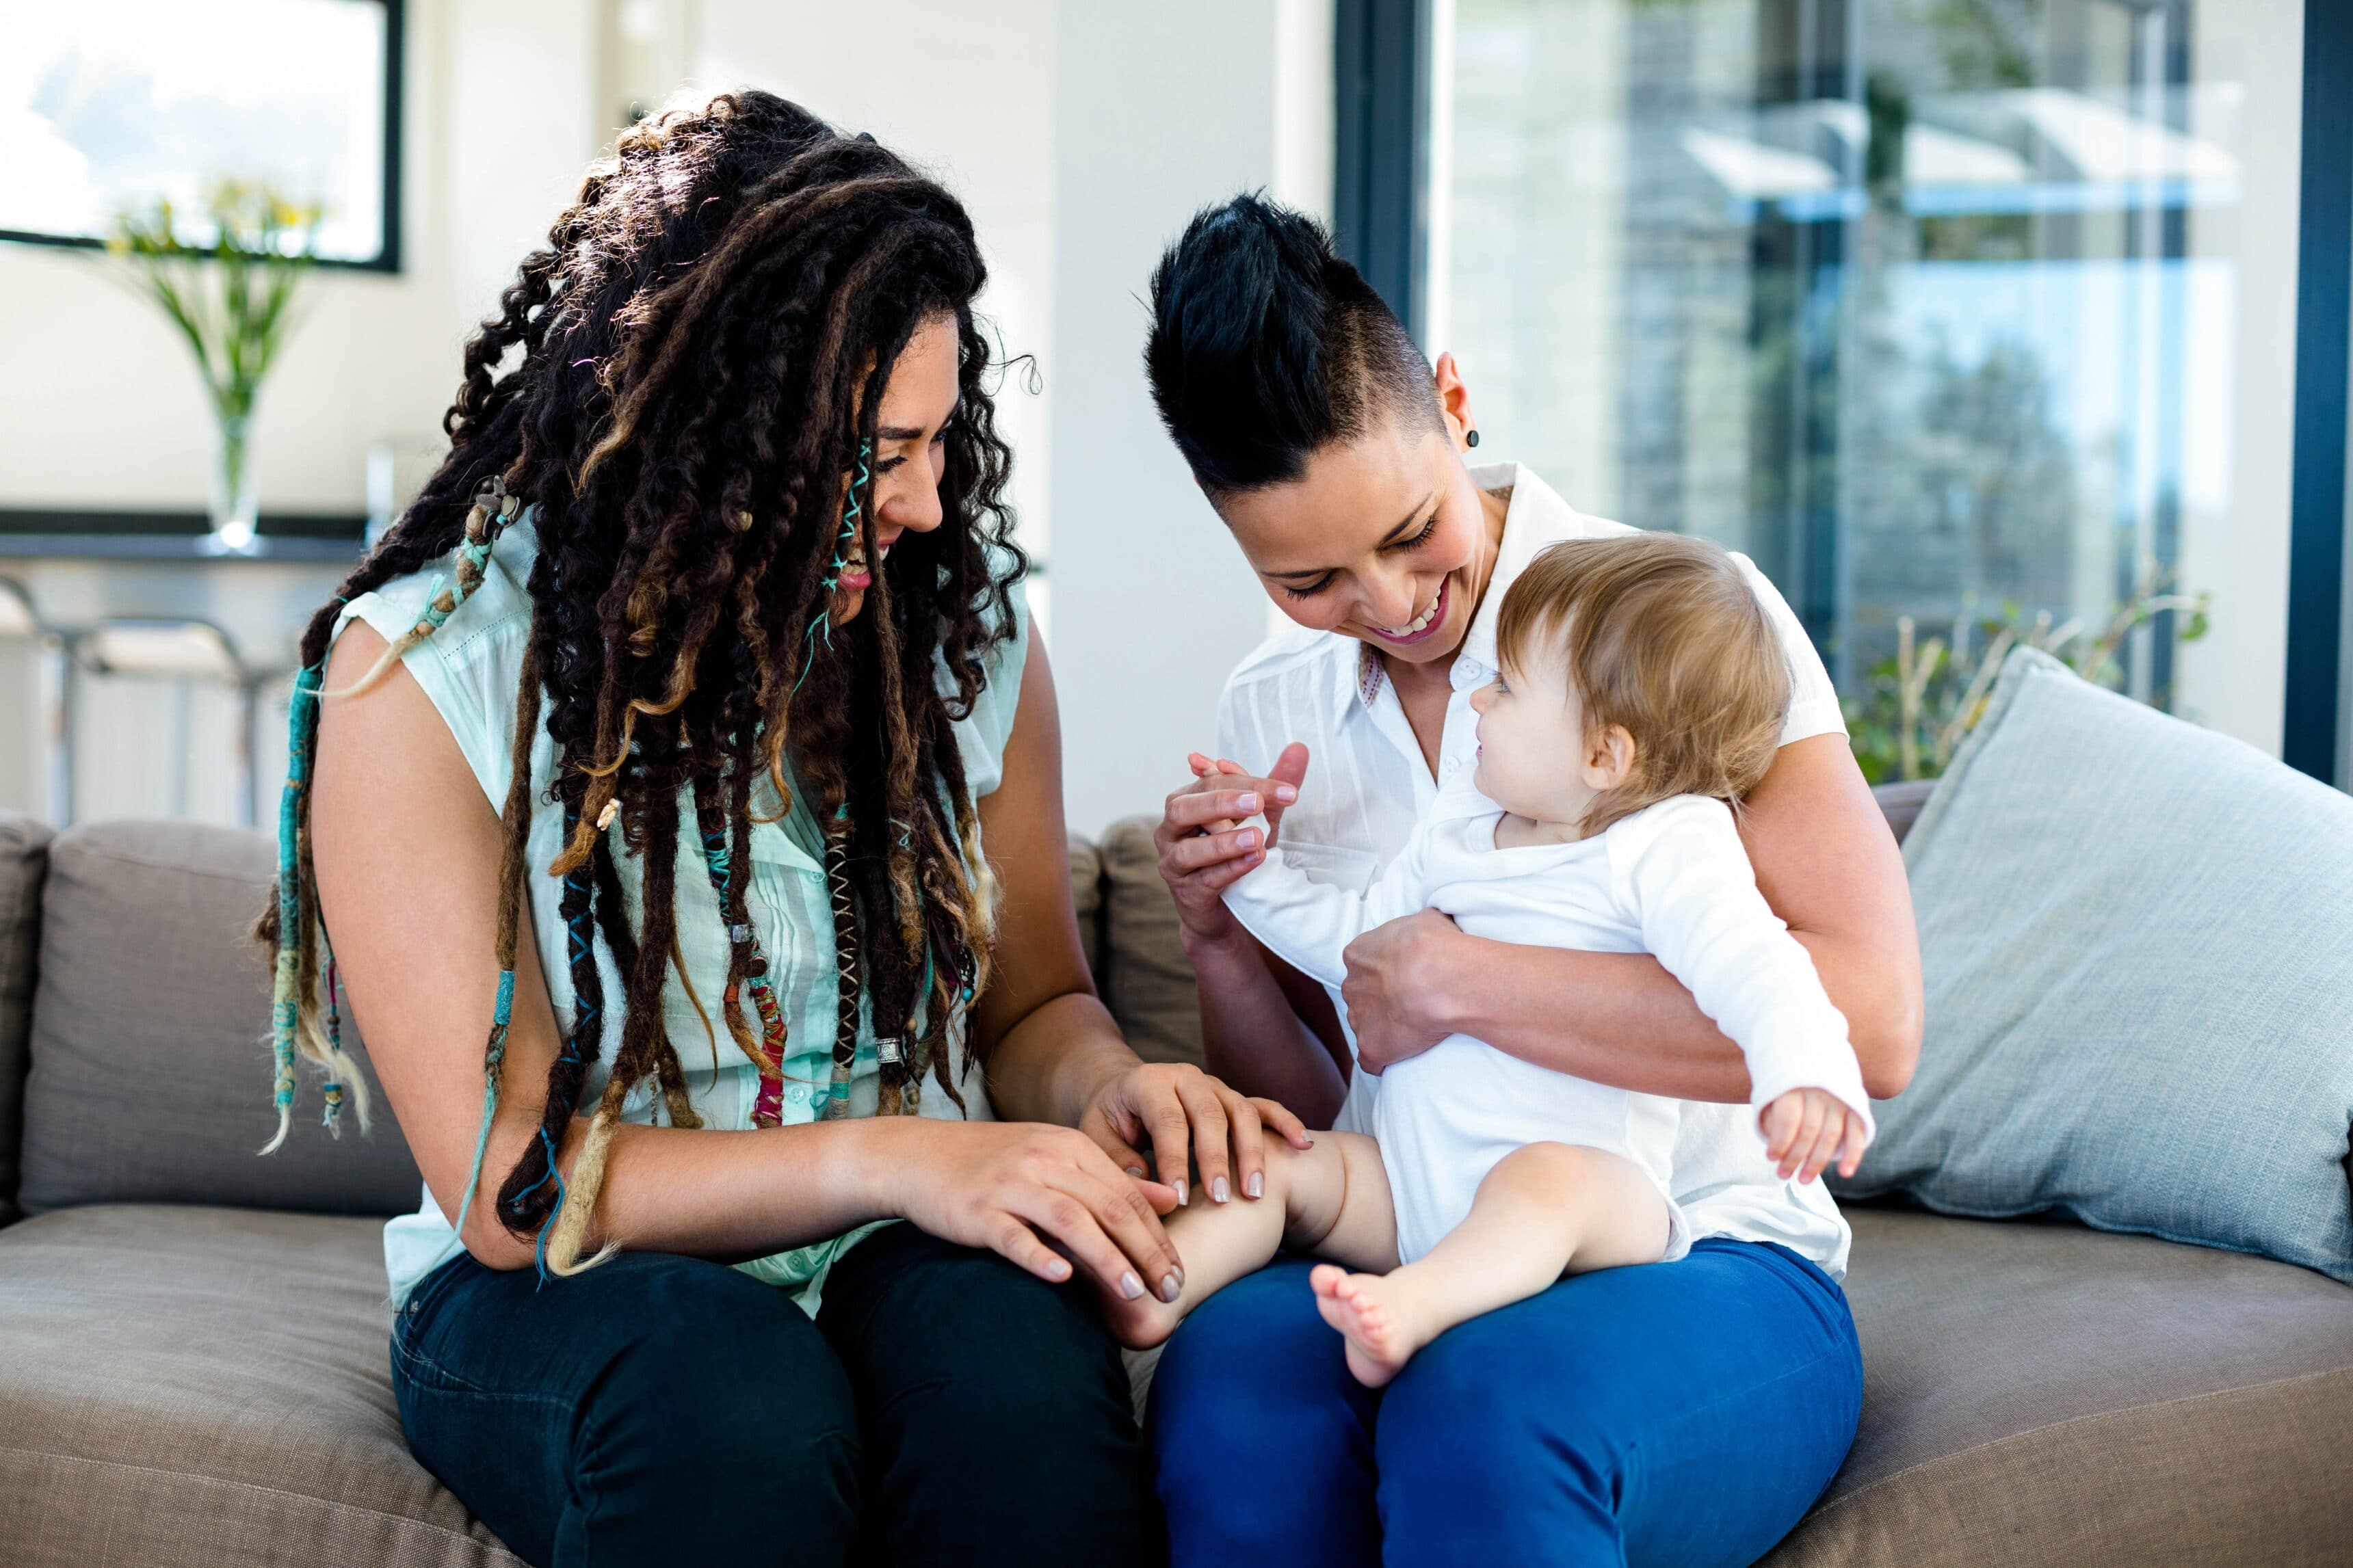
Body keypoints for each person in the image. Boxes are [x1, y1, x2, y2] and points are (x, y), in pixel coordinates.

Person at [265, 95, 1306, 1568]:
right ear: (712, 438)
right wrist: (895, 1159)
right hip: (569, 1286)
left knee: (1016, 1377)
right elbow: (520, 1187)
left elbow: (1035, 1009)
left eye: (943, 444)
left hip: (899, 1240)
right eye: (880, 456)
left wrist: (1112, 1086)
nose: (932, 508)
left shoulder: (961, 635)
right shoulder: (426, 667)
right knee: (735, 1404)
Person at [1142, 195, 1923, 1567]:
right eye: (1310, 576)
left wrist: (1466, 980)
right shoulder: (1275, 710)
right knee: (1232, 1398)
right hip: (1420, 1222)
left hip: (1697, 1245)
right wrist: (1214, 933)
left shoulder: (1674, 625)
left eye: (1409, 531)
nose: (1387, 606)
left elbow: (1872, 1026)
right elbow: (1327, 1112)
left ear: (1454, 407)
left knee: (1491, 1409)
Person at [1098, 532, 1874, 1390]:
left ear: (1602, 755)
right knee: (1286, 1167)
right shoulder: (1461, 835)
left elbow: (1752, 963)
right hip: (1410, 1192)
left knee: (1545, 1180)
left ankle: (1415, 1309)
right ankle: (1147, 1287)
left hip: (1591, 1207)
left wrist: (1802, 1068)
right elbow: (1355, 939)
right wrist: (1246, 872)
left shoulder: (1665, 846)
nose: (1475, 704)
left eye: (1505, 687)